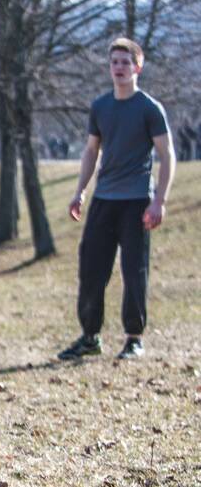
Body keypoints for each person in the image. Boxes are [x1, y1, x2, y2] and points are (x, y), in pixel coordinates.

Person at [59, 38, 175, 361]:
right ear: (109, 68)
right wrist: (80, 190)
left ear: (138, 67)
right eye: (114, 62)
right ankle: (90, 336)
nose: (119, 68)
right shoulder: (100, 107)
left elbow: (168, 155)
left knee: (133, 269)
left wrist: (159, 200)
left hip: (137, 199)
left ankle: (134, 338)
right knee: (91, 266)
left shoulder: (150, 108)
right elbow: (91, 152)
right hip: (104, 199)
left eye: (126, 62)